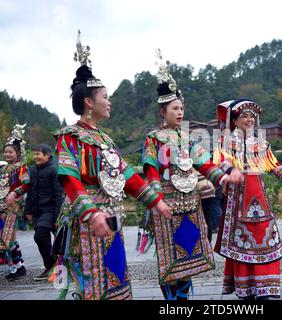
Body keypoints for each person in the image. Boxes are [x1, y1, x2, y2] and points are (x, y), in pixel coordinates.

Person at [51, 32, 171, 300]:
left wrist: (156, 202)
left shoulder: (105, 140)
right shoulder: (70, 137)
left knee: (115, 280)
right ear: (89, 102)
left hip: (111, 222)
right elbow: (70, 180)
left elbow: (128, 176)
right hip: (87, 223)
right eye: (105, 96)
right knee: (91, 285)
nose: (110, 101)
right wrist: (92, 214)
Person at [142, 51, 243, 300]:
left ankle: (185, 300)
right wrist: (156, 200)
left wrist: (224, 177)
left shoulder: (187, 139)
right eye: (175, 108)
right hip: (166, 205)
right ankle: (172, 301)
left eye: (182, 108)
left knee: (188, 256)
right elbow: (150, 170)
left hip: (190, 204)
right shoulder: (153, 139)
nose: (180, 112)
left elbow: (204, 163)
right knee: (169, 259)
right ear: (163, 111)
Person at [213, 98, 282, 300]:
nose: (249, 119)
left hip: (260, 200)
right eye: (244, 115)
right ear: (235, 121)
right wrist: (232, 170)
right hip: (237, 201)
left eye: (251, 116)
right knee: (242, 243)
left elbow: (276, 167)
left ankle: (264, 288)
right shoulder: (226, 142)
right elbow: (222, 162)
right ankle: (246, 289)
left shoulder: (261, 144)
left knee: (264, 241)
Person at [24, 144, 64, 281]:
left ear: (47, 155)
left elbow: (59, 194)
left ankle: (59, 268)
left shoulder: (54, 170)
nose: (35, 157)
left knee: (40, 236)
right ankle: (51, 267)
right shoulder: (32, 170)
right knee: (43, 239)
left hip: (50, 209)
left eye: (38, 154)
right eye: (34, 154)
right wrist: (27, 210)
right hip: (37, 211)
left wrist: (58, 214)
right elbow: (30, 191)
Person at [0, 124, 29, 280]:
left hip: (13, 205)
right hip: (2, 206)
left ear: (18, 153)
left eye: (10, 152)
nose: (7, 154)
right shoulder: (3, 169)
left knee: (8, 237)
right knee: (6, 238)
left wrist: (15, 193)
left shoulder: (21, 168)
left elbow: (26, 184)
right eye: (5, 151)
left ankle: (17, 267)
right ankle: (18, 265)